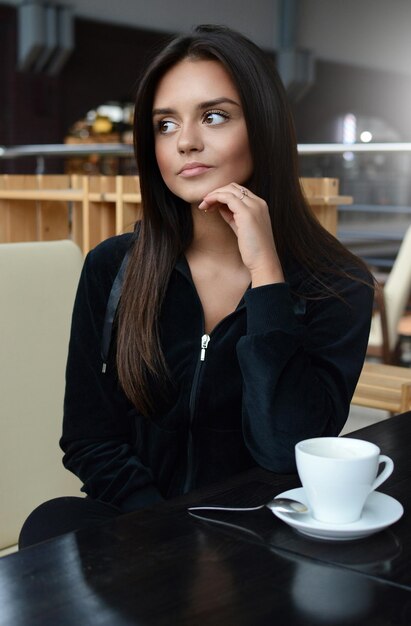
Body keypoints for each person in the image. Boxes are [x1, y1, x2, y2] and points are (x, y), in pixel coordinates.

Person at [19, 24, 374, 548]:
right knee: (52, 522)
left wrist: (268, 278)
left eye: (214, 116)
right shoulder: (112, 268)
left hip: (261, 542)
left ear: (265, 127)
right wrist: (166, 535)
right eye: (165, 124)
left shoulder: (337, 285)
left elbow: (286, 451)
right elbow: (89, 439)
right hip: (145, 536)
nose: (186, 141)